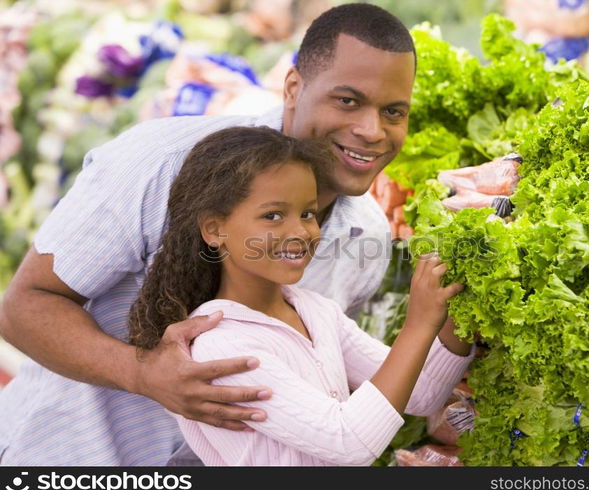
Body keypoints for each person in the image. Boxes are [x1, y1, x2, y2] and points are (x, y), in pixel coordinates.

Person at [0, 3, 431, 465]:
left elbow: (326, 386)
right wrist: (142, 373)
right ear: (293, 88)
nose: (371, 131)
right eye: (347, 100)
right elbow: (24, 308)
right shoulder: (158, 162)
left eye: (393, 111)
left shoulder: (367, 233)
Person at [129, 125, 471, 466]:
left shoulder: (315, 310)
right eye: (273, 216)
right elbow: (348, 442)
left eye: (307, 213)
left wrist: (454, 311)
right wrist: (417, 325)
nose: (300, 231)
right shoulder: (219, 346)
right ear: (214, 229)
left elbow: (423, 394)